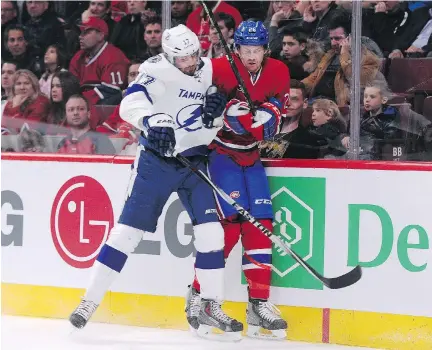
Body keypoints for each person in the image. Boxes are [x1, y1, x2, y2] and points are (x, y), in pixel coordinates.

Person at [68, 24, 243, 341]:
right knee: (127, 234)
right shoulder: (156, 71)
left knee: (212, 232)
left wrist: (213, 118)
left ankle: (209, 304)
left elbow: (210, 127)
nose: (190, 63)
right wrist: (150, 120)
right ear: (168, 56)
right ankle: (89, 301)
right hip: (155, 163)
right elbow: (131, 102)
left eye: (194, 55)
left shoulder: (208, 74)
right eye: (183, 58)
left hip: (193, 163)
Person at [185, 20, 290, 340]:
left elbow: (270, 126)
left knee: (262, 224)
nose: (251, 56)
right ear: (236, 49)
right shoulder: (216, 68)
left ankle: (259, 302)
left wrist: (266, 116)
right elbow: (194, 101)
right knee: (229, 223)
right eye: (245, 50)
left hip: (252, 158)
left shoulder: (279, 71)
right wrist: (226, 108)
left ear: (265, 49)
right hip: (222, 155)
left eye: (257, 50)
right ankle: (201, 298)